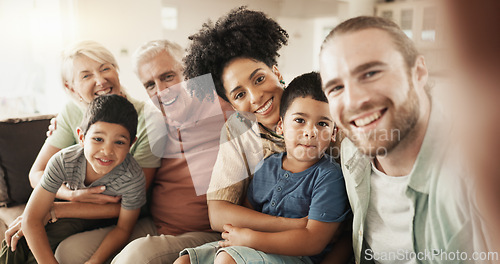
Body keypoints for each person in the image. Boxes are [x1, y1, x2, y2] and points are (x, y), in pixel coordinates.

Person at [181, 6, 352, 264]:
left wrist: (254, 236)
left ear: (276, 71)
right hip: (260, 242)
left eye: (259, 79)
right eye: (239, 95)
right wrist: (290, 225)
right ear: (231, 103)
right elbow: (218, 214)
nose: (256, 97)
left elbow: (346, 226)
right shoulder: (242, 136)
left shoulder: (324, 109)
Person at [319, 16, 490, 263]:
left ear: (418, 72)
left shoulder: (475, 166)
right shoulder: (350, 152)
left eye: (370, 73)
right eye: (336, 88)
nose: (354, 100)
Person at [3, 40, 161, 262]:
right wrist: (69, 195)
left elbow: (131, 201)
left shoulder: (147, 119)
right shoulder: (71, 113)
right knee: (18, 240)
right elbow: (36, 174)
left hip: (121, 211)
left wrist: (56, 210)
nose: (100, 80)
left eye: (105, 68)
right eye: (86, 75)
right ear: (70, 87)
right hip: (76, 201)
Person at [0, 94, 146, 264]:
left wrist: (95, 261)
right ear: (82, 137)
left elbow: (123, 228)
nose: (107, 151)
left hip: (107, 221)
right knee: (16, 240)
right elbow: (31, 219)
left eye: (119, 142)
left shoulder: (133, 176)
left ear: (131, 144)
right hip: (74, 213)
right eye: (98, 139)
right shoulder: (63, 161)